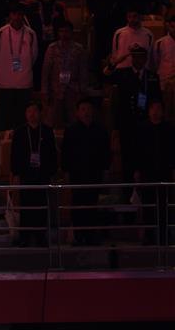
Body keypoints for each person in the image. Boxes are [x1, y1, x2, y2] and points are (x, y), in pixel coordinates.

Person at [106, 44, 160, 183]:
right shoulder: (123, 73)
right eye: (136, 57)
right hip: (127, 122)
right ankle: (127, 190)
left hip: (145, 123)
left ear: (146, 58)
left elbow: (156, 99)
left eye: (142, 57)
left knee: (146, 156)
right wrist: (116, 62)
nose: (139, 60)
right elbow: (105, 75)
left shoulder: (152, 76)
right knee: (127, 158)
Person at [62, 99, 111, 244]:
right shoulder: (71, 131)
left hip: (94, 174)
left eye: (88, 109)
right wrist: (66, 171)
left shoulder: (100, 130)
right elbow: (66, 153)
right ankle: (78, 235)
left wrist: (106, 169)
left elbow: (106, 152)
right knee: (77, 205)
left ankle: (90, 235)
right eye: (83, 109)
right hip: (77, 174)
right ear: (77, 113)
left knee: (92, 204)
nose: (86, 112)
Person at [10, 101, 57, 246]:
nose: (32, 114)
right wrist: (16, 173)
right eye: (29, 111)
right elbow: (14, 155)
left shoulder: (47, 131)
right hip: (26, 174)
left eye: (35, 111)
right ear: (25, 114)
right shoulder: (19, 132)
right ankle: (25, 236)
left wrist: (52, 172)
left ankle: (40, 236)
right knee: (26, 205)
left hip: (42, 174)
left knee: (42, 205)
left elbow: (52, 154)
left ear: (40, 113)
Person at [134, 99, 175, 244]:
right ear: (149, 110)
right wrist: (137, 170)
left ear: (163, 111)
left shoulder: (169, 129)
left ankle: (164, 235)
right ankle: (150, 236)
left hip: (165, 171)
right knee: (148, 205)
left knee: (164, 205)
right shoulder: (142, 128)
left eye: (158, 108)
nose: (156, 112)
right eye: (153, 108)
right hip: (147, 172)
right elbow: (137, 151)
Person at [0, 4, 38, 132]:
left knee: (22, 120)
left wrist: (23, 71)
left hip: (24, 84)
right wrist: (2, 74)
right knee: (5, 120)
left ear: (23, 16)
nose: (16, 17)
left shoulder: (31, 34)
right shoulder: (0, 33)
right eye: (14, 14)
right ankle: (3, 148)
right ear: (10, 15)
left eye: (19, 14)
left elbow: (33, 56)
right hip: (4, 84)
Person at [41, 21, 88, 128]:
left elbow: (83, 71)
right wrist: (44, 90)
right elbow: (46, 71)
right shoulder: (52, 48)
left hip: (73, 90)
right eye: (61, 31)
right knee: (53, 122)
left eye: (66, 31)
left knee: (74, 121)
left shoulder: (79, 49)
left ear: (72, 33)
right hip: (55, 90)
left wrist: (83, 90)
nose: (64, 34)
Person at [154, 14, 175, 120]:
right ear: (168, 26)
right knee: (166, 114)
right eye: (173, 27)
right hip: (164, 84)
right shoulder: (160, 43)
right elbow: (155, 63)